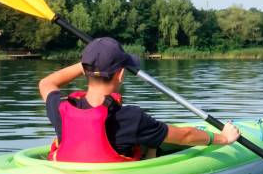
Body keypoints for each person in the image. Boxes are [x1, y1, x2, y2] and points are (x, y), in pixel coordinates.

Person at [38, 37, 240, 162]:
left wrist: (88, 65)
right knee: (151, 141)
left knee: (148, 141)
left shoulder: (60, 108)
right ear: (121, 74)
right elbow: (185, 136)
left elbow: (46, 84)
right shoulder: (130, 118)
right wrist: (223, 138)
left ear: (86, 72)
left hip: (70, 171)